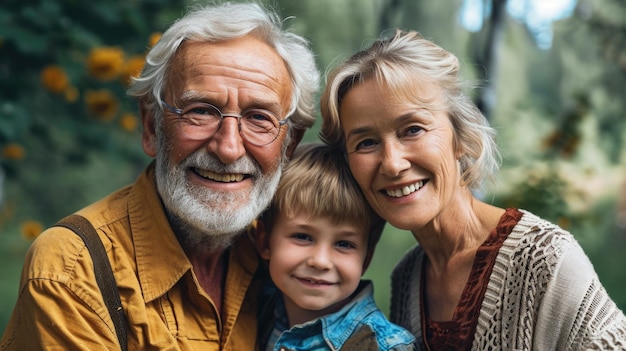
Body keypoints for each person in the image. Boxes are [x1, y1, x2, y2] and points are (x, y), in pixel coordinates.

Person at [1, 2, 319, 350]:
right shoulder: (73, 268)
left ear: (290, 145)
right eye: (200, 111)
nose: (228, 149)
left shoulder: (286, 257)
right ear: (152, 126)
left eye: (259, 118)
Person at [320, 29, 626, 350]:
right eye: (366, 142)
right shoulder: (407, 279)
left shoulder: (545, 260)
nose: (393, 164)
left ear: (460, 137)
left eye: (412, 129)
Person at [255, 142, 415, 351]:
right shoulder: (255, 307)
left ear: (366, 258)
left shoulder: (383, 347)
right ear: (265, 242)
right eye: (302, 237)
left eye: (343, 244)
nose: (320, 261)